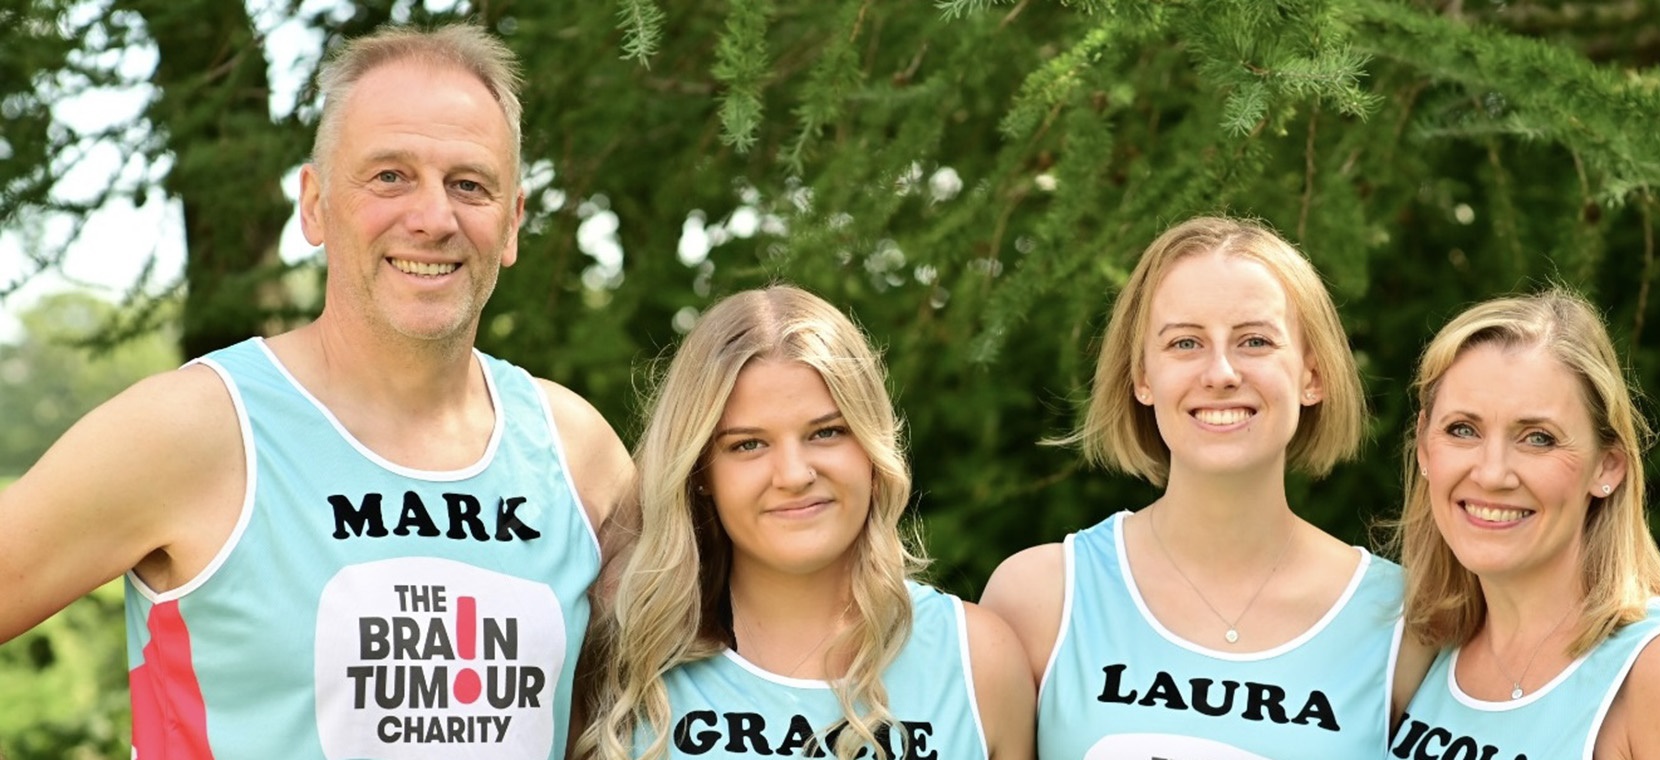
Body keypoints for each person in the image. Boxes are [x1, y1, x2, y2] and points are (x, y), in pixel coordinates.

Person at [0, 23, 633, 758]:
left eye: (469, 184)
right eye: (389, 175)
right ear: (314, 204)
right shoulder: (198, 428)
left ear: (513, 222)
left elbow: (683, 687)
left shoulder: (575, 453)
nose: (433, 218)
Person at [982, 216, 1428, 758]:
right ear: (1141, 376)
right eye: (1186, 342)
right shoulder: (1041, 597)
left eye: (1255, 341)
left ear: (1313, 375)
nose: (1220, 373)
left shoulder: (1400, 622)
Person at [572, 285, 1034, 759]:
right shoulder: (622, 666)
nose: (794, 475)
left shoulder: (978, 660)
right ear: (700, 471)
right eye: (748, 444)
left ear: (872, 450)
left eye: (827, 432)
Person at [1386, 289, 1660, 760]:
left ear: (1608, 467)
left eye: (1538, 438)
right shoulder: (1419, 646)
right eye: (1463, 430)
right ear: (1423, 447)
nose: (1492, 473)